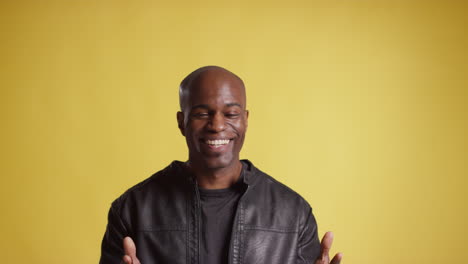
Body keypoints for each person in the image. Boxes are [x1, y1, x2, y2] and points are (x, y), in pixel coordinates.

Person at [99, 66, 343, 264]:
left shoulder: (294, 214)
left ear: (245, 120)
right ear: (181, 122)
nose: (216, 125)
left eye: (231, 114)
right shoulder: (130, 211)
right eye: (202, 114)